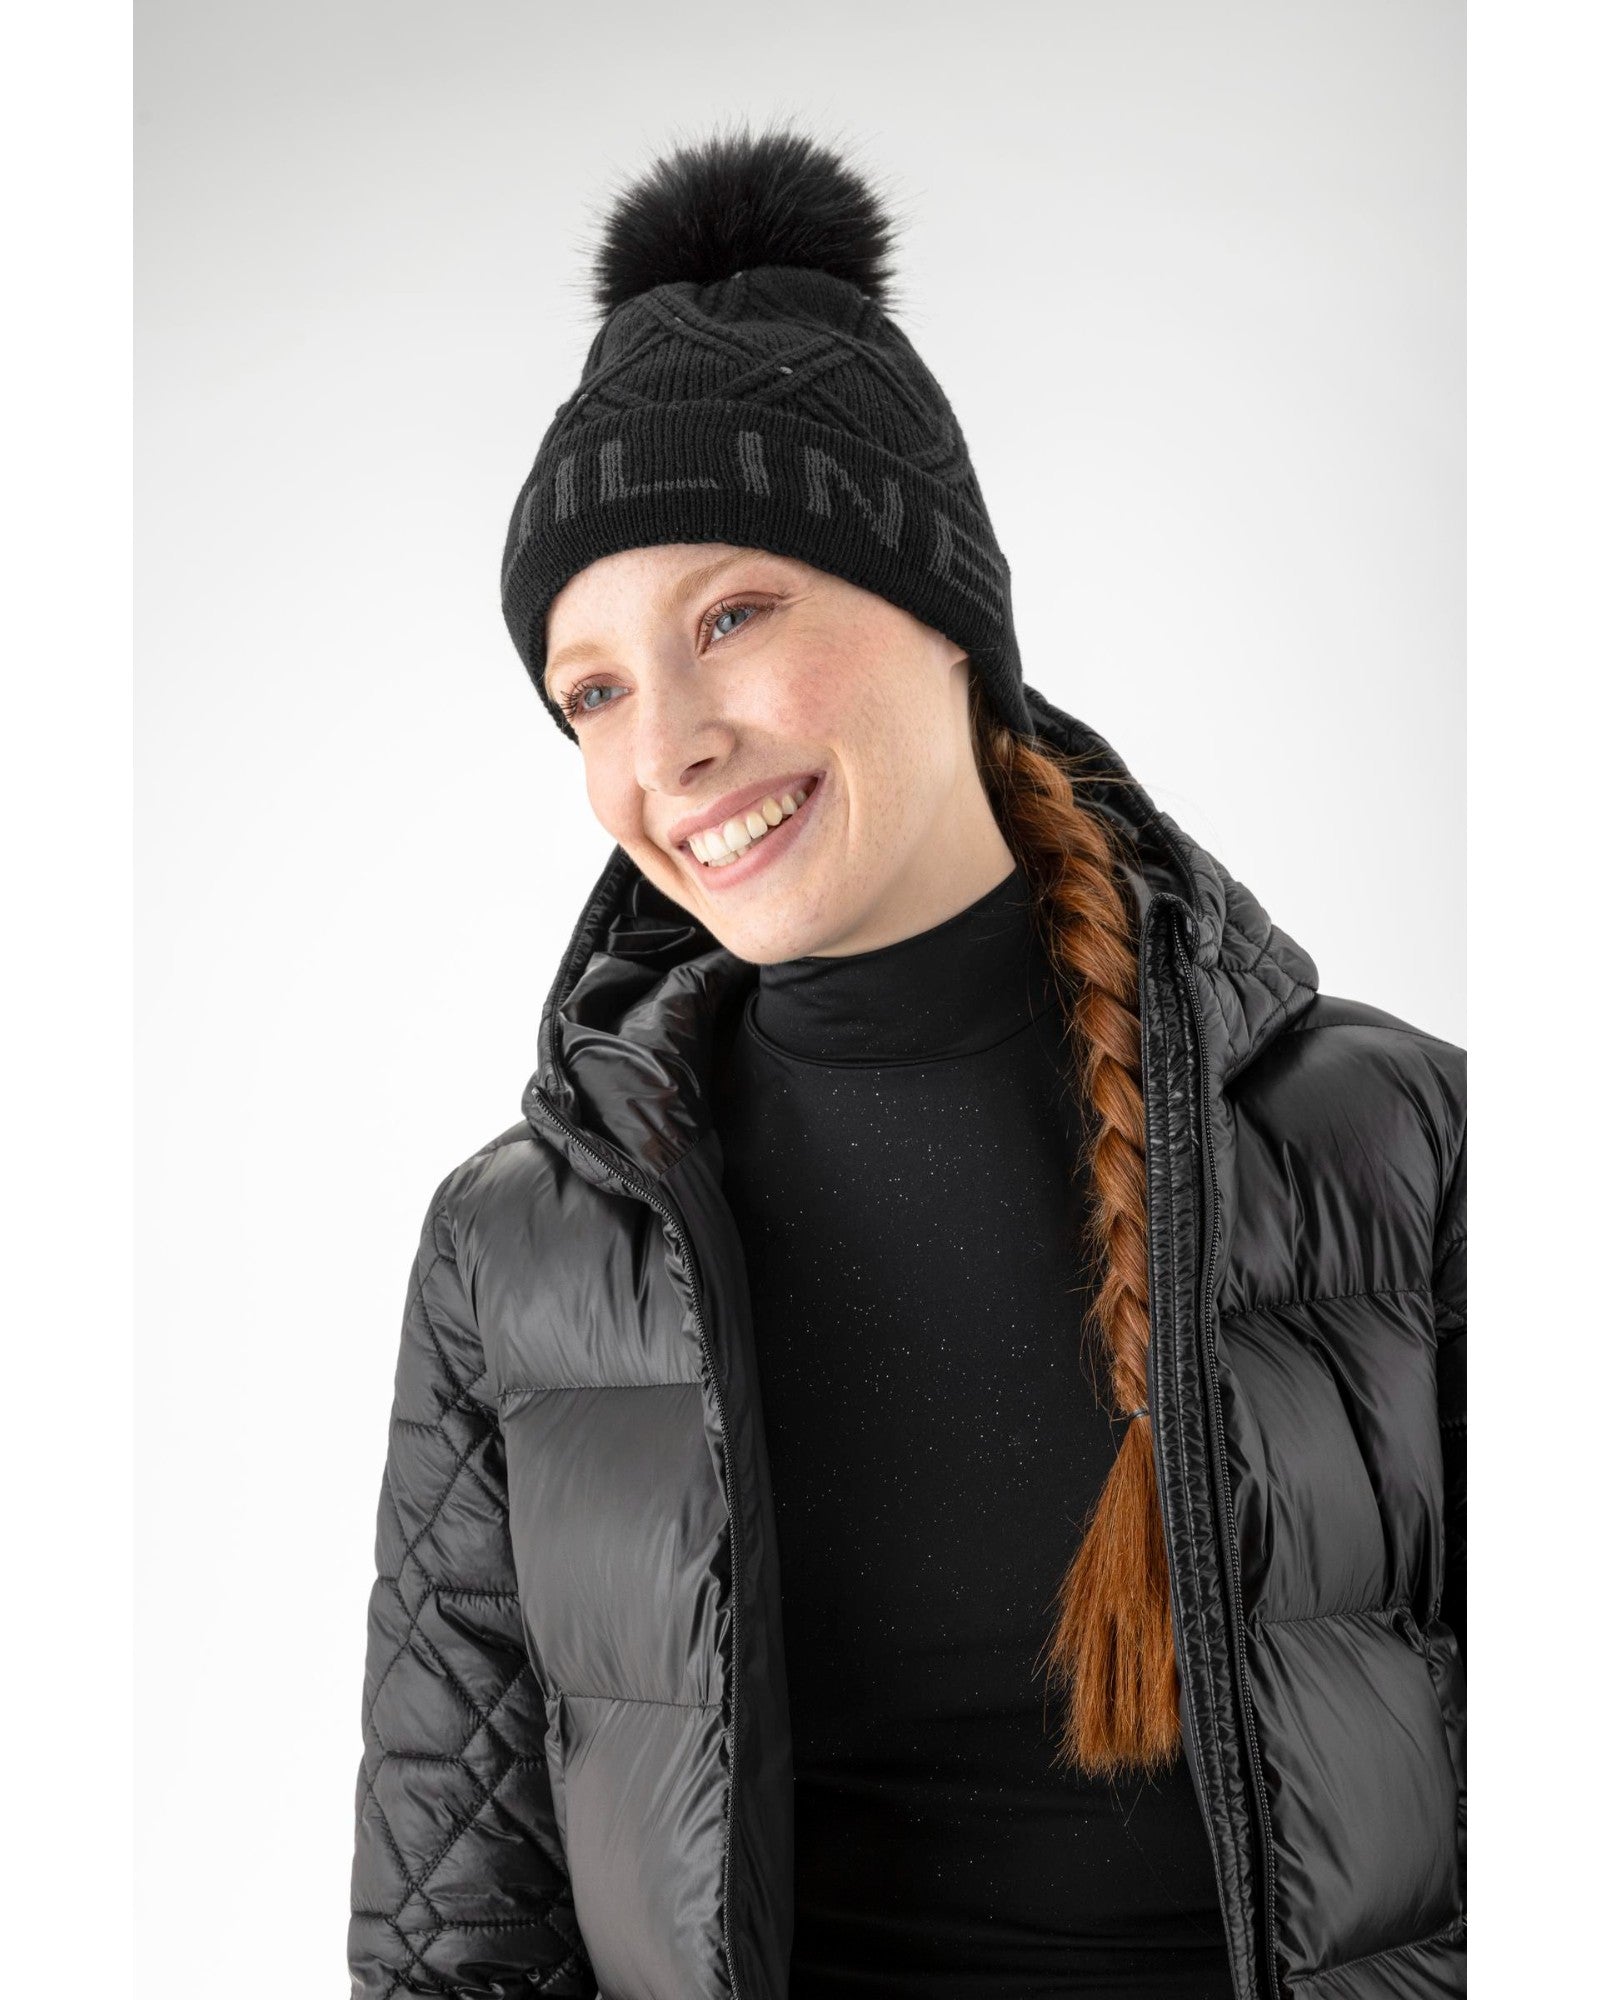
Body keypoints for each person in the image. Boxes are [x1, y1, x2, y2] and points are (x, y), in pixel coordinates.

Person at [347, 124, 1466, 2000]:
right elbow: (457, 1937)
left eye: (732, 617)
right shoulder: (517, 1252)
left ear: (946, 616)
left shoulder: (1396, 1144)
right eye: (593, 690)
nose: (667, 749)